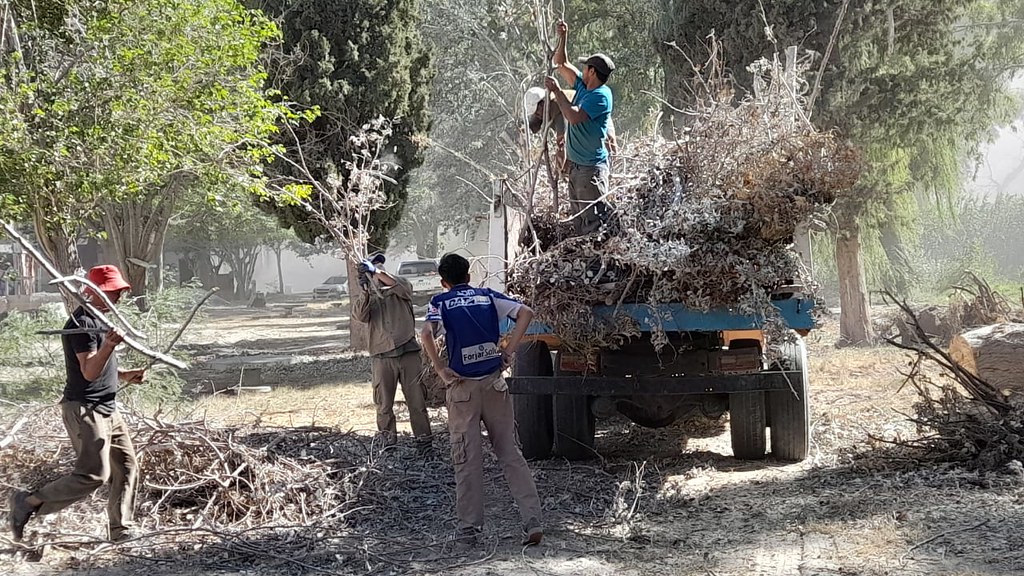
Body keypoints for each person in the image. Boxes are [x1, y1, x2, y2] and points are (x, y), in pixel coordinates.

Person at [8, 265, 146, 543]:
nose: (117, 296)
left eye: (118, 291)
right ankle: (29, 502)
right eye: (111, 291)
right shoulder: (81, 324)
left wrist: (125, 375)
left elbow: (103, 370)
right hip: (85, 409)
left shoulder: (102, 319)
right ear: (92, 292)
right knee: (94, 474)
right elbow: (89, 371)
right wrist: (108, 346)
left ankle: (121, 529)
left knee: (127, 466)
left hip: (108, 407)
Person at [420, 253, 544, 548]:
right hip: (495, 384)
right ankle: (532, 520)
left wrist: (440, 369)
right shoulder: (487, 297)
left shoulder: (441, 302)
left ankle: (469, 529)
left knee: (466, 458)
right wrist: (508, 350)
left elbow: (425, 333)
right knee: (510, 453)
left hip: (463, 389)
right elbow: (525, 312)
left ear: (444, 282)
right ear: (469, 276)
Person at [352, 252, 433, 452]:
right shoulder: (367, 297)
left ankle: (425, 444)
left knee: (417, 402)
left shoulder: (399, 286)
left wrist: (376, 272)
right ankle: (388, 446)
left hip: (408, 353)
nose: (379, 268)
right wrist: (365, 290)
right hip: (381, 356)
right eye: (374, 265)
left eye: (380, 265)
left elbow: (403, 288)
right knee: (384, 405)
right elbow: (360, 316)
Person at [544, 18, 616, 235]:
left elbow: (574, 117)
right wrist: (563, 36)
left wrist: (557, 91)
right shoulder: (584, 86)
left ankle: (596, 265)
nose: (582, 70)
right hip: (577, 168)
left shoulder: (601, 96)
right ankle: (586, 261)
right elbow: (561, 63)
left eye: (586, 67)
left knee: (594, 224)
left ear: (592, 72)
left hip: (590, 170)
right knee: (579, 220)